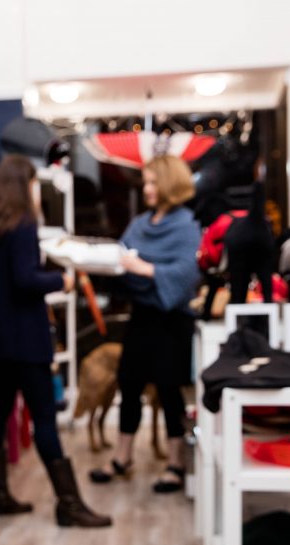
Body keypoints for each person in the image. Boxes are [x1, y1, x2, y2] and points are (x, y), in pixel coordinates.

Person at [0, 154, 111, 528]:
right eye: (34, 184)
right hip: (26, 342)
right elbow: (25, 280)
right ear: (25, 186)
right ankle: (69, 504)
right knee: (45, 421)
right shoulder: (23, 225)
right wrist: (61, 281)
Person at [90, 155, 201, 492]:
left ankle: (175, 463)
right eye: (146, 182)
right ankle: (123, 458)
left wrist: (147, 271)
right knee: (130, 382)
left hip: (173, 321)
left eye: (153, 182)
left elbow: (187, 275)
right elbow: (120, 260)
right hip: (142, 316)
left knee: (169, 389)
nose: (147, 188)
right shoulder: (139, 224)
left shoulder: (187, 225)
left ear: (169, 184)